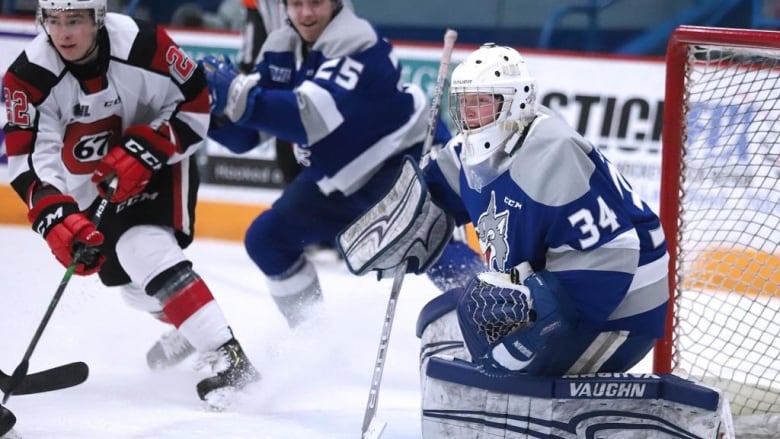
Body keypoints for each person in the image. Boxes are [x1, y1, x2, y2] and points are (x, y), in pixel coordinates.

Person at [338, 43, 672, 434]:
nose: (471, 116)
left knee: (478, 341)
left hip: (620, 316)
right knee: (442, 323)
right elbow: (445, 183)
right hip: (570, 295)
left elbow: (611, 257)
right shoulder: (475, 149)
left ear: (517, 102)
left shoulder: (554, 154)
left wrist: (535, 312)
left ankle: (515, 420)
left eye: (483, 103)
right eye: (465, 105)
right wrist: (416, 211)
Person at [2, 0, 259, 409]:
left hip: (159, 158)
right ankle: (190, 325)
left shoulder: (144, 45)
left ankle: (231, 362)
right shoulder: (28, 77)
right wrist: (58, 219)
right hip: (91, 184)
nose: (63, 33)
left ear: (97, 19)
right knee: (130, 288)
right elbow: (29, 160)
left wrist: (150, 149)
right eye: (54, 21)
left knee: (141, 246)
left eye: (75, 21)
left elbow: (195, 105)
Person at [194, 0, 484, 330]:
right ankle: (313, 338)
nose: (305, 13)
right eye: (296, 3)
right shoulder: (280, 47)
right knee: (267, 240)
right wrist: (211, 107)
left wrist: (235, 93)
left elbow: (309, 117)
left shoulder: (356, 39)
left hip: (402, 162)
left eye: (315, 2)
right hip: (341, 177)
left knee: (430, 243)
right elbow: (247, 137)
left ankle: (502, 318)